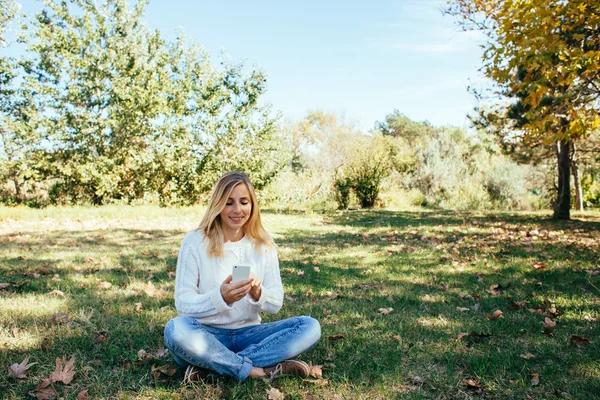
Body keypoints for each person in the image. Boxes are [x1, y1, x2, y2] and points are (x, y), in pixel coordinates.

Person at [164, 171, 321, 382]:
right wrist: (221, 298)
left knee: (309, 327)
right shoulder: (195, 241)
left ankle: (213, 367)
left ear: (252, 205)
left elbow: (276, 303)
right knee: (175, 329)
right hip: (205, 335)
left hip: (251, 336)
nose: (237, 210)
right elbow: (183, 304)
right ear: (218, 205)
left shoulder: (263, 244)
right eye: (229, 203)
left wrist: (259, 293)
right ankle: (260, 370)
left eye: (244, 202)